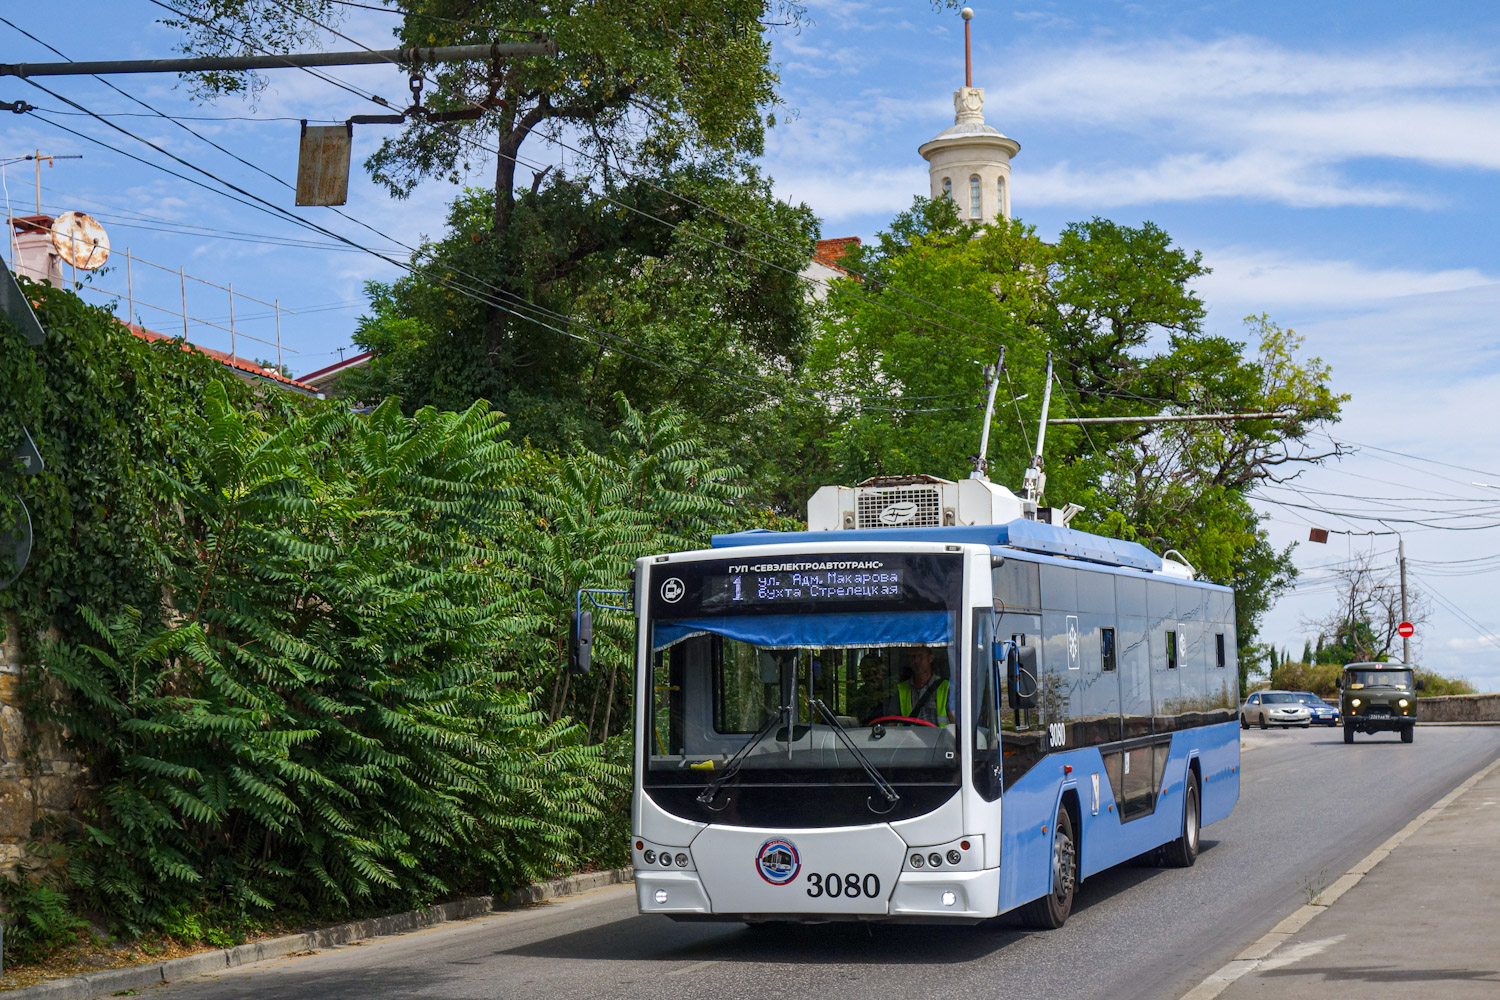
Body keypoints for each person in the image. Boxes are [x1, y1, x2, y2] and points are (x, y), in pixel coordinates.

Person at [886, 646, 955, 726]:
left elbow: (954, 723)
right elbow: (891, 723)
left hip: (938, 737)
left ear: (930, 658)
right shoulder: (901, 689)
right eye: (912, 657)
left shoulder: (946, 688)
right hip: (908, 738)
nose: (916, 661)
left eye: (920, 656)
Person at [852, 653, 890, 725]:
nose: (871, 676)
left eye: (874, 671)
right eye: (865, 672)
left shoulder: (892, 693)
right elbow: (852, 719)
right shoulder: (860, 695)